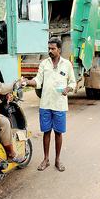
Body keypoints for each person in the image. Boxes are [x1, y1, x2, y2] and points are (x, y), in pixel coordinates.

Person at [26, 37, 76, 172]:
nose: (50, 51)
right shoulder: (44, 64)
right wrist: (26, 82)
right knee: (46, 132)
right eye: (49, 48)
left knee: (58, 132)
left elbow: (73, 82)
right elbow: (38, 80)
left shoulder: (67, 65)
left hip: (59, 104)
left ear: (59, 49)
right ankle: (46, 159)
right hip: (45, 104)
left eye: (53, 48)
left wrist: (68, 88)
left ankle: (57, 159)